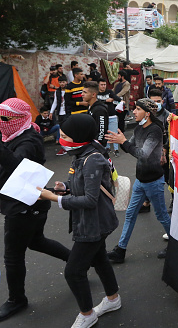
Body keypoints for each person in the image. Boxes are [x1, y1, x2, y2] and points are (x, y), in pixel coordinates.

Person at [38, 114, 120, 328]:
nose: (61, 139)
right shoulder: (82, 151)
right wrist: (64, 186)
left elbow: (90, 199)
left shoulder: (92, 158)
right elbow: (81, 183)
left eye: (65, 135)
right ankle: (113, 299)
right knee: (100, 258)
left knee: (73, 272)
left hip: (94, 222)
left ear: (79, 136)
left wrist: (54, 198)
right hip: (94, 220)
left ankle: (87, 313)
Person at [0, 98, 71, 321]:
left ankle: (17, 299)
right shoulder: (13, 134)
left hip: (25, 205)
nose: (0, 122)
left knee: (13, 255)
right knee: (36, 241)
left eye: (4, 119)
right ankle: (78, 261)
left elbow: (16, 167)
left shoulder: (29, 140)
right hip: (26, 200)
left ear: (19, 119)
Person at [105, 98, 170, 262]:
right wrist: (121, 141)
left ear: (147, 113)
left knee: (162, 215)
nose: (133, 112)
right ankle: (120, 250)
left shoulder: (154, 130)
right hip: (141, 181)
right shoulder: (139, 128)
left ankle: (175, 245)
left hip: (154, 181)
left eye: (137, 109)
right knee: (130, 214)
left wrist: (124, 142)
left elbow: (143, 154)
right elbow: (130, 148)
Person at [97, 78, 122, 157]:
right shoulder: (96, 93)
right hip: (102, 117)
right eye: (101, 85)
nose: (103, 86)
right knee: (105, 133)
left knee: (114, 133)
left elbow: (116, 97)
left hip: (112, 116)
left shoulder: (109, 92)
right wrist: (105, 101)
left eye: (104, 85)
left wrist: (121, 101)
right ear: (98, 85)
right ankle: (107, 148)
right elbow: (96, 103)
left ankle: (116, 149)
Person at [82, 81, 109, 147]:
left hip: (96, 148)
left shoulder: (99, 110)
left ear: (93, 94)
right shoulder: (90, 107)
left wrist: (96, 146)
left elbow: (101, 131)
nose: (82, 94)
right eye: (82, 92)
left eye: (85, 92)